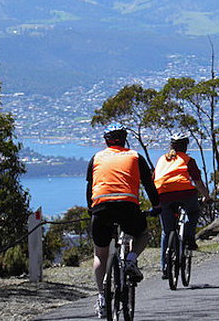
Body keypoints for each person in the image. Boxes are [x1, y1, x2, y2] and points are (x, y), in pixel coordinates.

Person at [87, 123, 160, 319]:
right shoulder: (135, 156)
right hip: (128, 206)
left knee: (100, 254)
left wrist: (91, 209)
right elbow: (149, 185)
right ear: (124, 138)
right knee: (142, 235)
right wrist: (157, 207)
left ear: (106, 141)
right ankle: (130, 260)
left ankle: (102, 297)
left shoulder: (96, 158)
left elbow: (90, 188)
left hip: (101, 208)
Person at [154, 132, 211, 278]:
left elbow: (153, 178)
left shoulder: (161, 159)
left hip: (163, 195)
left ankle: (165, 267)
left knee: (167, 231)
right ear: (185, 146)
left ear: (171, 146)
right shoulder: (188, 160)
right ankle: (189, 237)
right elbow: (198, 182)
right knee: (193, 211)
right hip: (185, 193)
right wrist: (206, 196)